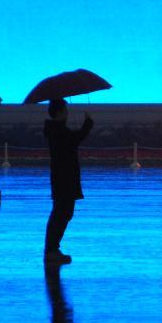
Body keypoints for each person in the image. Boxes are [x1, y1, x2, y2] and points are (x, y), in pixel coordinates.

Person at [44, 98, 93, 265]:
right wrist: (87, 124)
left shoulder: (55, 130)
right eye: (65, 110)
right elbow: (74, 140)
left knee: (62, 212)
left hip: (62, 176)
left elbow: (73, 140)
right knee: (62, 213)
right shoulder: (58, 131)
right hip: (64, 177)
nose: (67, 113)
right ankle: (52, 249)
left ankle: (52, 249)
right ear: (58, 112)